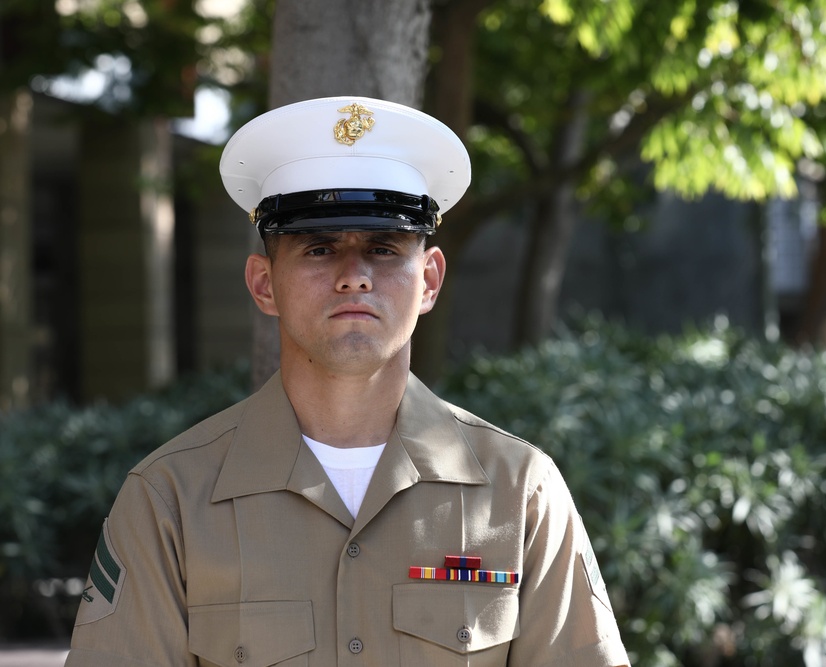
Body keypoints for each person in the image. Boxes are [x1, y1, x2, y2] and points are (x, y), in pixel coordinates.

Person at [65, 96, 631, 666]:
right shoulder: (170, 500)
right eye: (319, 248)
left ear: (429, 280)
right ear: (264, 284)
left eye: (384, 249)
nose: (354, 276)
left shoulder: (519, 492)